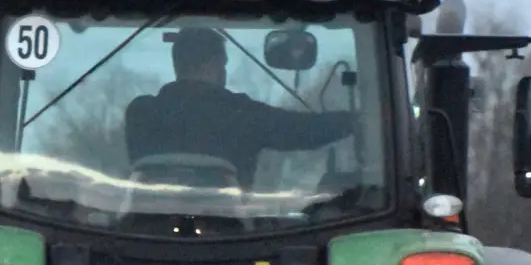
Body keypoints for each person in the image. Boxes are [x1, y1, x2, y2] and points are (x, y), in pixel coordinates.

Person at [124, 27, 357, 190]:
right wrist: (354, 121)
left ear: (177, 63)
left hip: (144, 227)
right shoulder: (241, 115)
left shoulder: (140, 113)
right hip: (229, 230)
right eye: (223, 65)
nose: (224, 73)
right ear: (211, 65)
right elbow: (303, 130)